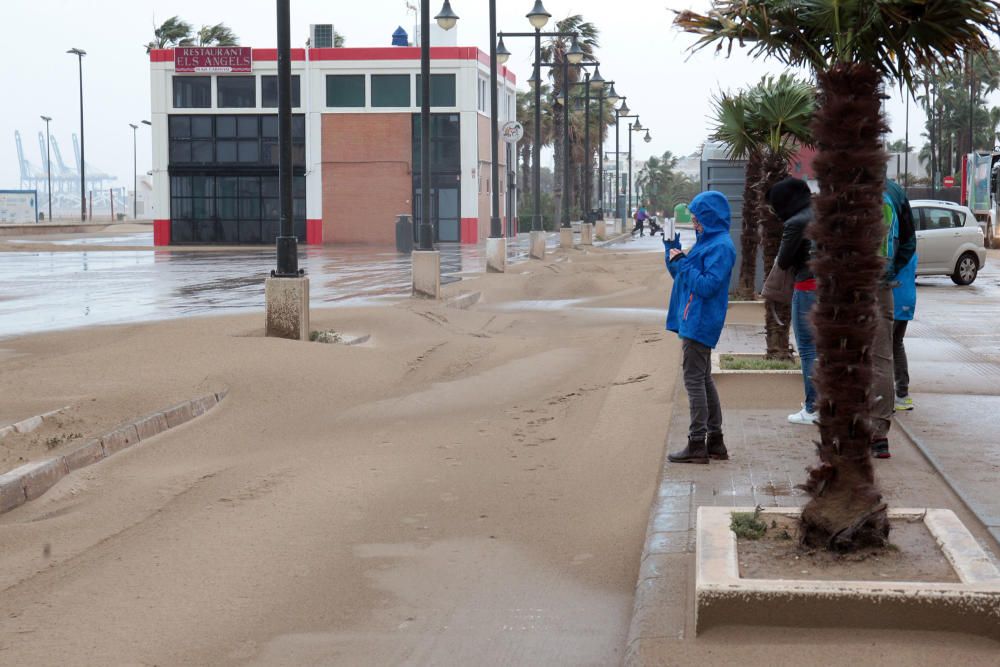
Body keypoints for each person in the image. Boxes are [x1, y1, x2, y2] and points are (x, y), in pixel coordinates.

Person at [663, 191, 737, 464]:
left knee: (694, 380)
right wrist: (671, 251)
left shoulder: (720, 246)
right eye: (693, 219)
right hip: (694, 318)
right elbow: (681, 276)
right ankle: (715, 442)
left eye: (697, 219)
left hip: (701, 320)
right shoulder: (708, 242)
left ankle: (697, 444)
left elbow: (705, 285)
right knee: (703, 379)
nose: (695, 224)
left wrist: (682, 262)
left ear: (710, 218)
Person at [871, 179, 916, 459]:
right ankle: (879, 435)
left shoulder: (841, 185)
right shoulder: (895, 192)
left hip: (849, 289)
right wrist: (889, 273)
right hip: (882, 287)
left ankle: (850, 431)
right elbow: (909, 241)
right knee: (882, 358)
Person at [769, 177, 818, 425]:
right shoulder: (820, 212)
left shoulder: (795, 222)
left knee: (808, 348)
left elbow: (784, 260)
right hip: (828, 285)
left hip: (807, 287)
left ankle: (812, 408)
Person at [893, 250, 918, 411]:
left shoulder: (894, 247)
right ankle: (902, 395)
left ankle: (885, 399)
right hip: (907, 297)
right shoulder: (911, 248)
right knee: (896, 344)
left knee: (881, 349)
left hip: (894, 298)